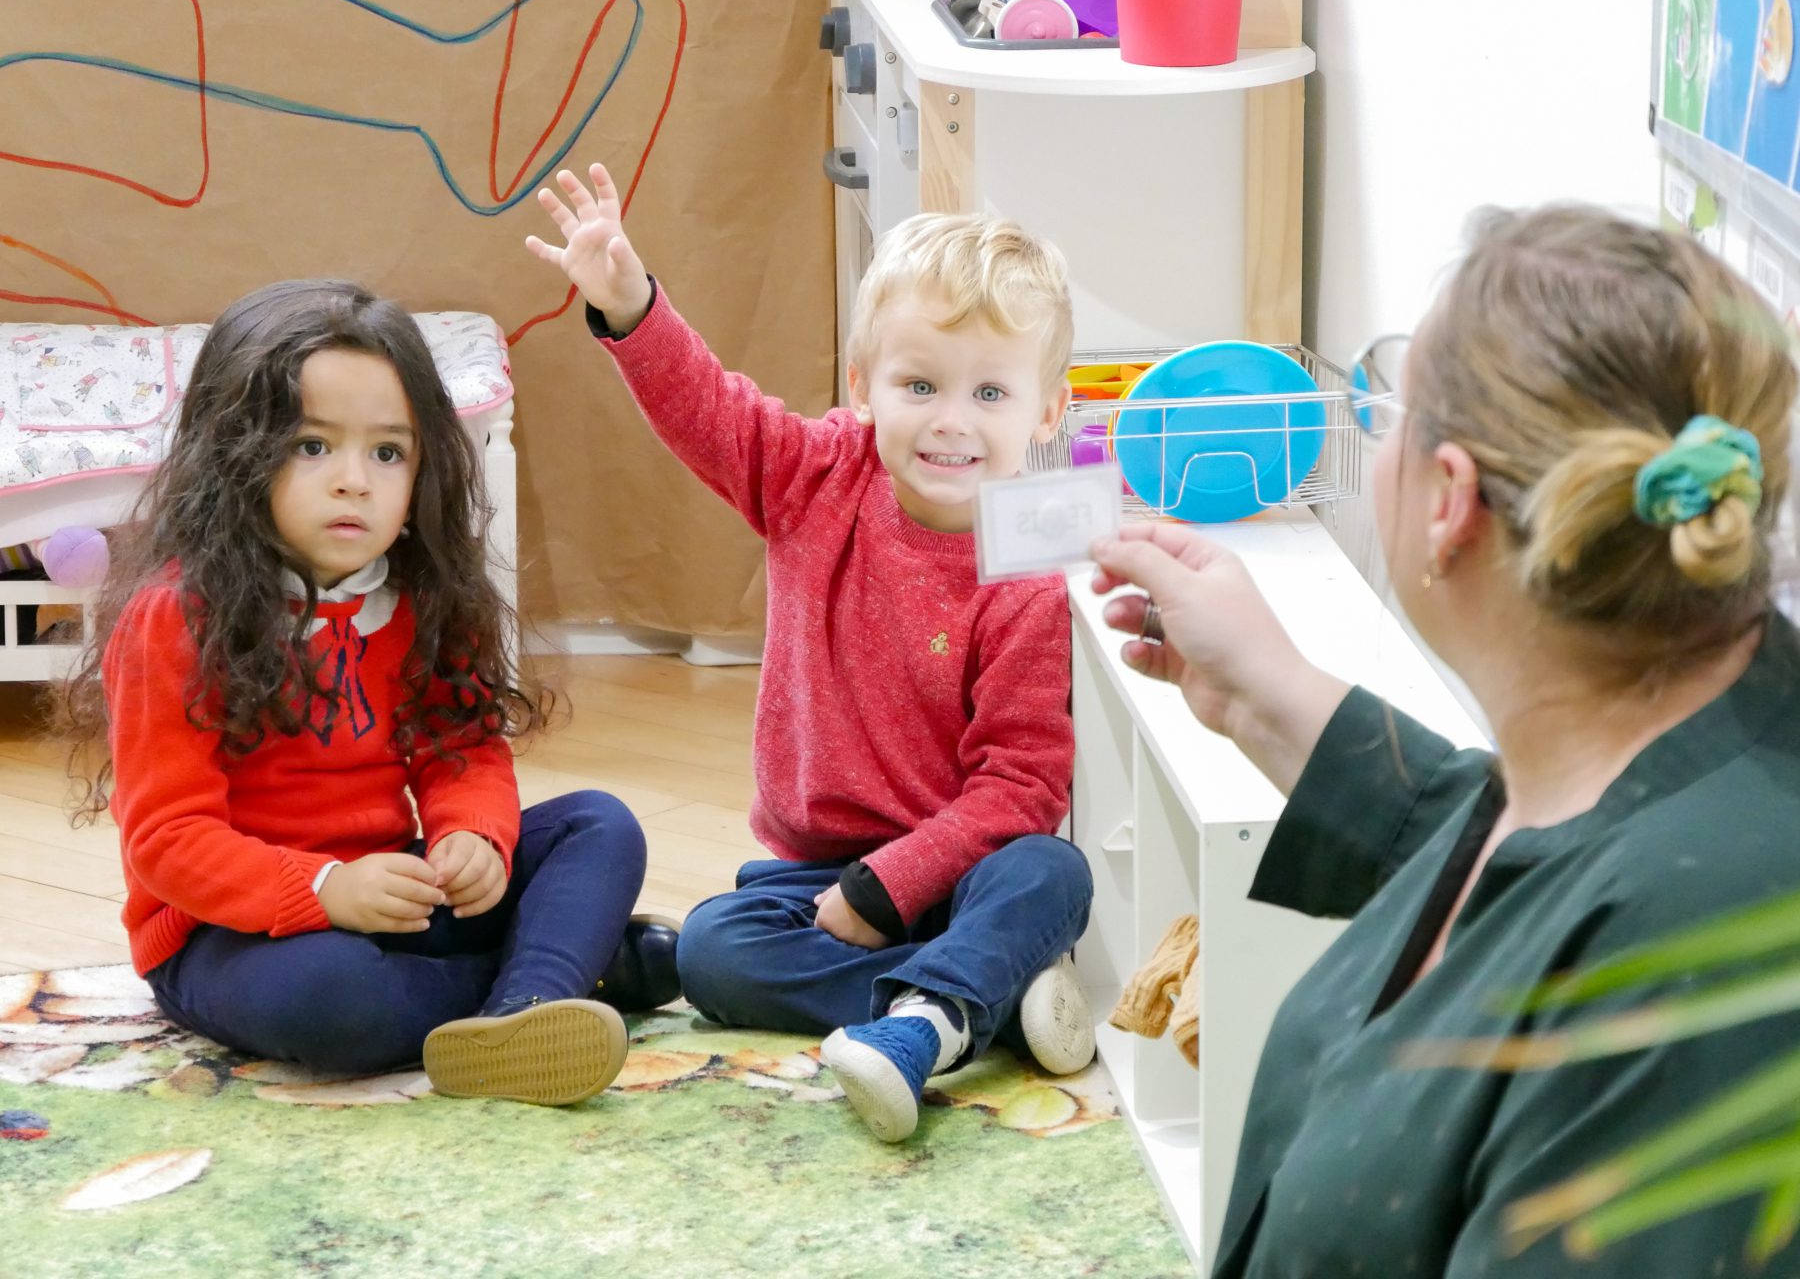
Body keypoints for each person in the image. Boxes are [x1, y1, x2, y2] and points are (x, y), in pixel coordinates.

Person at [1090, 205, 1800, 1273]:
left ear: (1448, 500)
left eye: (1386, 410)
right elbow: (1533, 859)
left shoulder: (1699, 970)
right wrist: (1263, 694)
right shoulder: (1702, 718)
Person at [525, 164, 1095, 1142]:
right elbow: (712, 411)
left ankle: (929, 1021)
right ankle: (977, 994)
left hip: (960, 871)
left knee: (1052, 873)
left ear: (1046, 413)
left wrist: (895, 888)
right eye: (919, 384)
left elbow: (1021, 787)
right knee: (713, 948)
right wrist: (629, 304)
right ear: (862, 383)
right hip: (819, 874)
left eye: (990, 392)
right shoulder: (815, 474)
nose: (951, 419)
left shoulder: (1027, 572)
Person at [63, 278, 661, 1107]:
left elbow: (463, 755)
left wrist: (473, 839)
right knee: (334, 1000)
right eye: (312, 446)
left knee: (599, 825)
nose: (354, 480)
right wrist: (322, 892)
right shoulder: (173, 616)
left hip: (393, 889)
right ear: (235, 451)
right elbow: (168, 843)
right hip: (225, 933)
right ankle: (563, 973)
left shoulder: (422, 597)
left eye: (388, 453)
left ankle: (532, 1005)